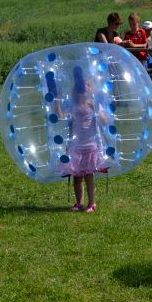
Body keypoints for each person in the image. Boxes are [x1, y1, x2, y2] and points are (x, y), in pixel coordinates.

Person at [65, 67, 108, 213]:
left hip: (91, 145)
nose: (85, 88)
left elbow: (105, 121)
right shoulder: (73, 105)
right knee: (77, 177)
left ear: (92, 90)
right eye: (83, 86)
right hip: (76, 146)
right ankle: (79, 203)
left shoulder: (94, 104)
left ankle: (92, 203)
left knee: (89, 176)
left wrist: (97, 110)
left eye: (89, 86)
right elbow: (63, 117)